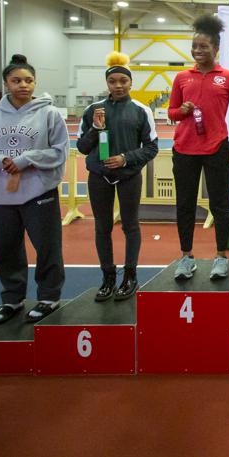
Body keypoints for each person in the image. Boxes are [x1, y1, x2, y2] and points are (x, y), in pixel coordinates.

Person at [0, 54, 68, 324]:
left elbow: (59, 152)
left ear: (35, 83)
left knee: (47, 247)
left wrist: (27, 160)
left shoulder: (48, 113)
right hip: (2, 193)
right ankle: (12, 299)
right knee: (4, 248)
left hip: (39, 191)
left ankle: (49, 296)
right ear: (6, 84)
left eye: (28, 80)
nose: (23, 85)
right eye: (16, 80)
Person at [76, 52, 159, 301]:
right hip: (99, 177)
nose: (119, 85)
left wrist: (126, 159)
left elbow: (151, 147)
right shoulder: (93, 110)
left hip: (129, 176)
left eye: (123, 81)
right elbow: (81, 147)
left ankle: (130, 276)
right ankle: (108, 277)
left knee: (130, 226)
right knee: (102, 227)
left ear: (131, 82)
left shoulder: (141, 110)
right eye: (113, 82)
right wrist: (95, 129)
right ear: (107, 84)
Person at [168, 15, 229, 281]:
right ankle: (186, 257)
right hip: (184, 150)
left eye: (203, 47)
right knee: (185, 205)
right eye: (194, 47)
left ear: (216, 48)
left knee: (220, 204)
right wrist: (182, 110)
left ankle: (221, 257)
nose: (198, 51)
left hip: (216, 149)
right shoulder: (181, 78)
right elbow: (172, 113)